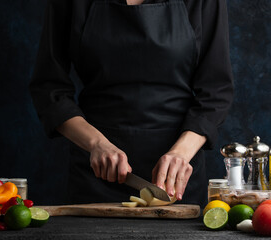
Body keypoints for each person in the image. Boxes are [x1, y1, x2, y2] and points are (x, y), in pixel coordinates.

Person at [30, 0, 233, 207]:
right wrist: (96, 144)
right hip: (96, 172)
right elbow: (50, 89)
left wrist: (180, 153)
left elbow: (215, 90)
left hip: (175, 180)